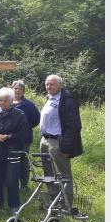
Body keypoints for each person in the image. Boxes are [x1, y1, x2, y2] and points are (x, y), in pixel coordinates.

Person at [39, 74, 82, 207]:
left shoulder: (67, 100)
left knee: (63, 176)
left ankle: (66, 205)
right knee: (49, 174)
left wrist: (66, 148)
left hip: (58, 142)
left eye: (52, 83)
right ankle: (54, 202)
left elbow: (73, 126)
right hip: (45, 140)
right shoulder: (50, 98)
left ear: (60, 85)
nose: (48, 86)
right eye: (47, 84)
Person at [0, 87, 30, 212]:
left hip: (13, 151)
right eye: (0, 100)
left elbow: (25, 133)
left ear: (11, 101)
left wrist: (10, 136)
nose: (2, 103)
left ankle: (14, 205)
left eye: (5, 100)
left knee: (11, 180)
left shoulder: (19, 114)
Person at [12, 80, 41, 189]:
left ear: (23, 91)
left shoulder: (29, 105)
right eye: (15, 88)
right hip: (9, 138)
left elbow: (36, 120)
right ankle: (11, 183)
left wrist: (25, 128)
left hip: (24, 138)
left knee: (23, 161)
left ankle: (24, 184)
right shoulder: (6, 102)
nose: (17, 90)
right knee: (10, 160)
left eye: (20, 89)